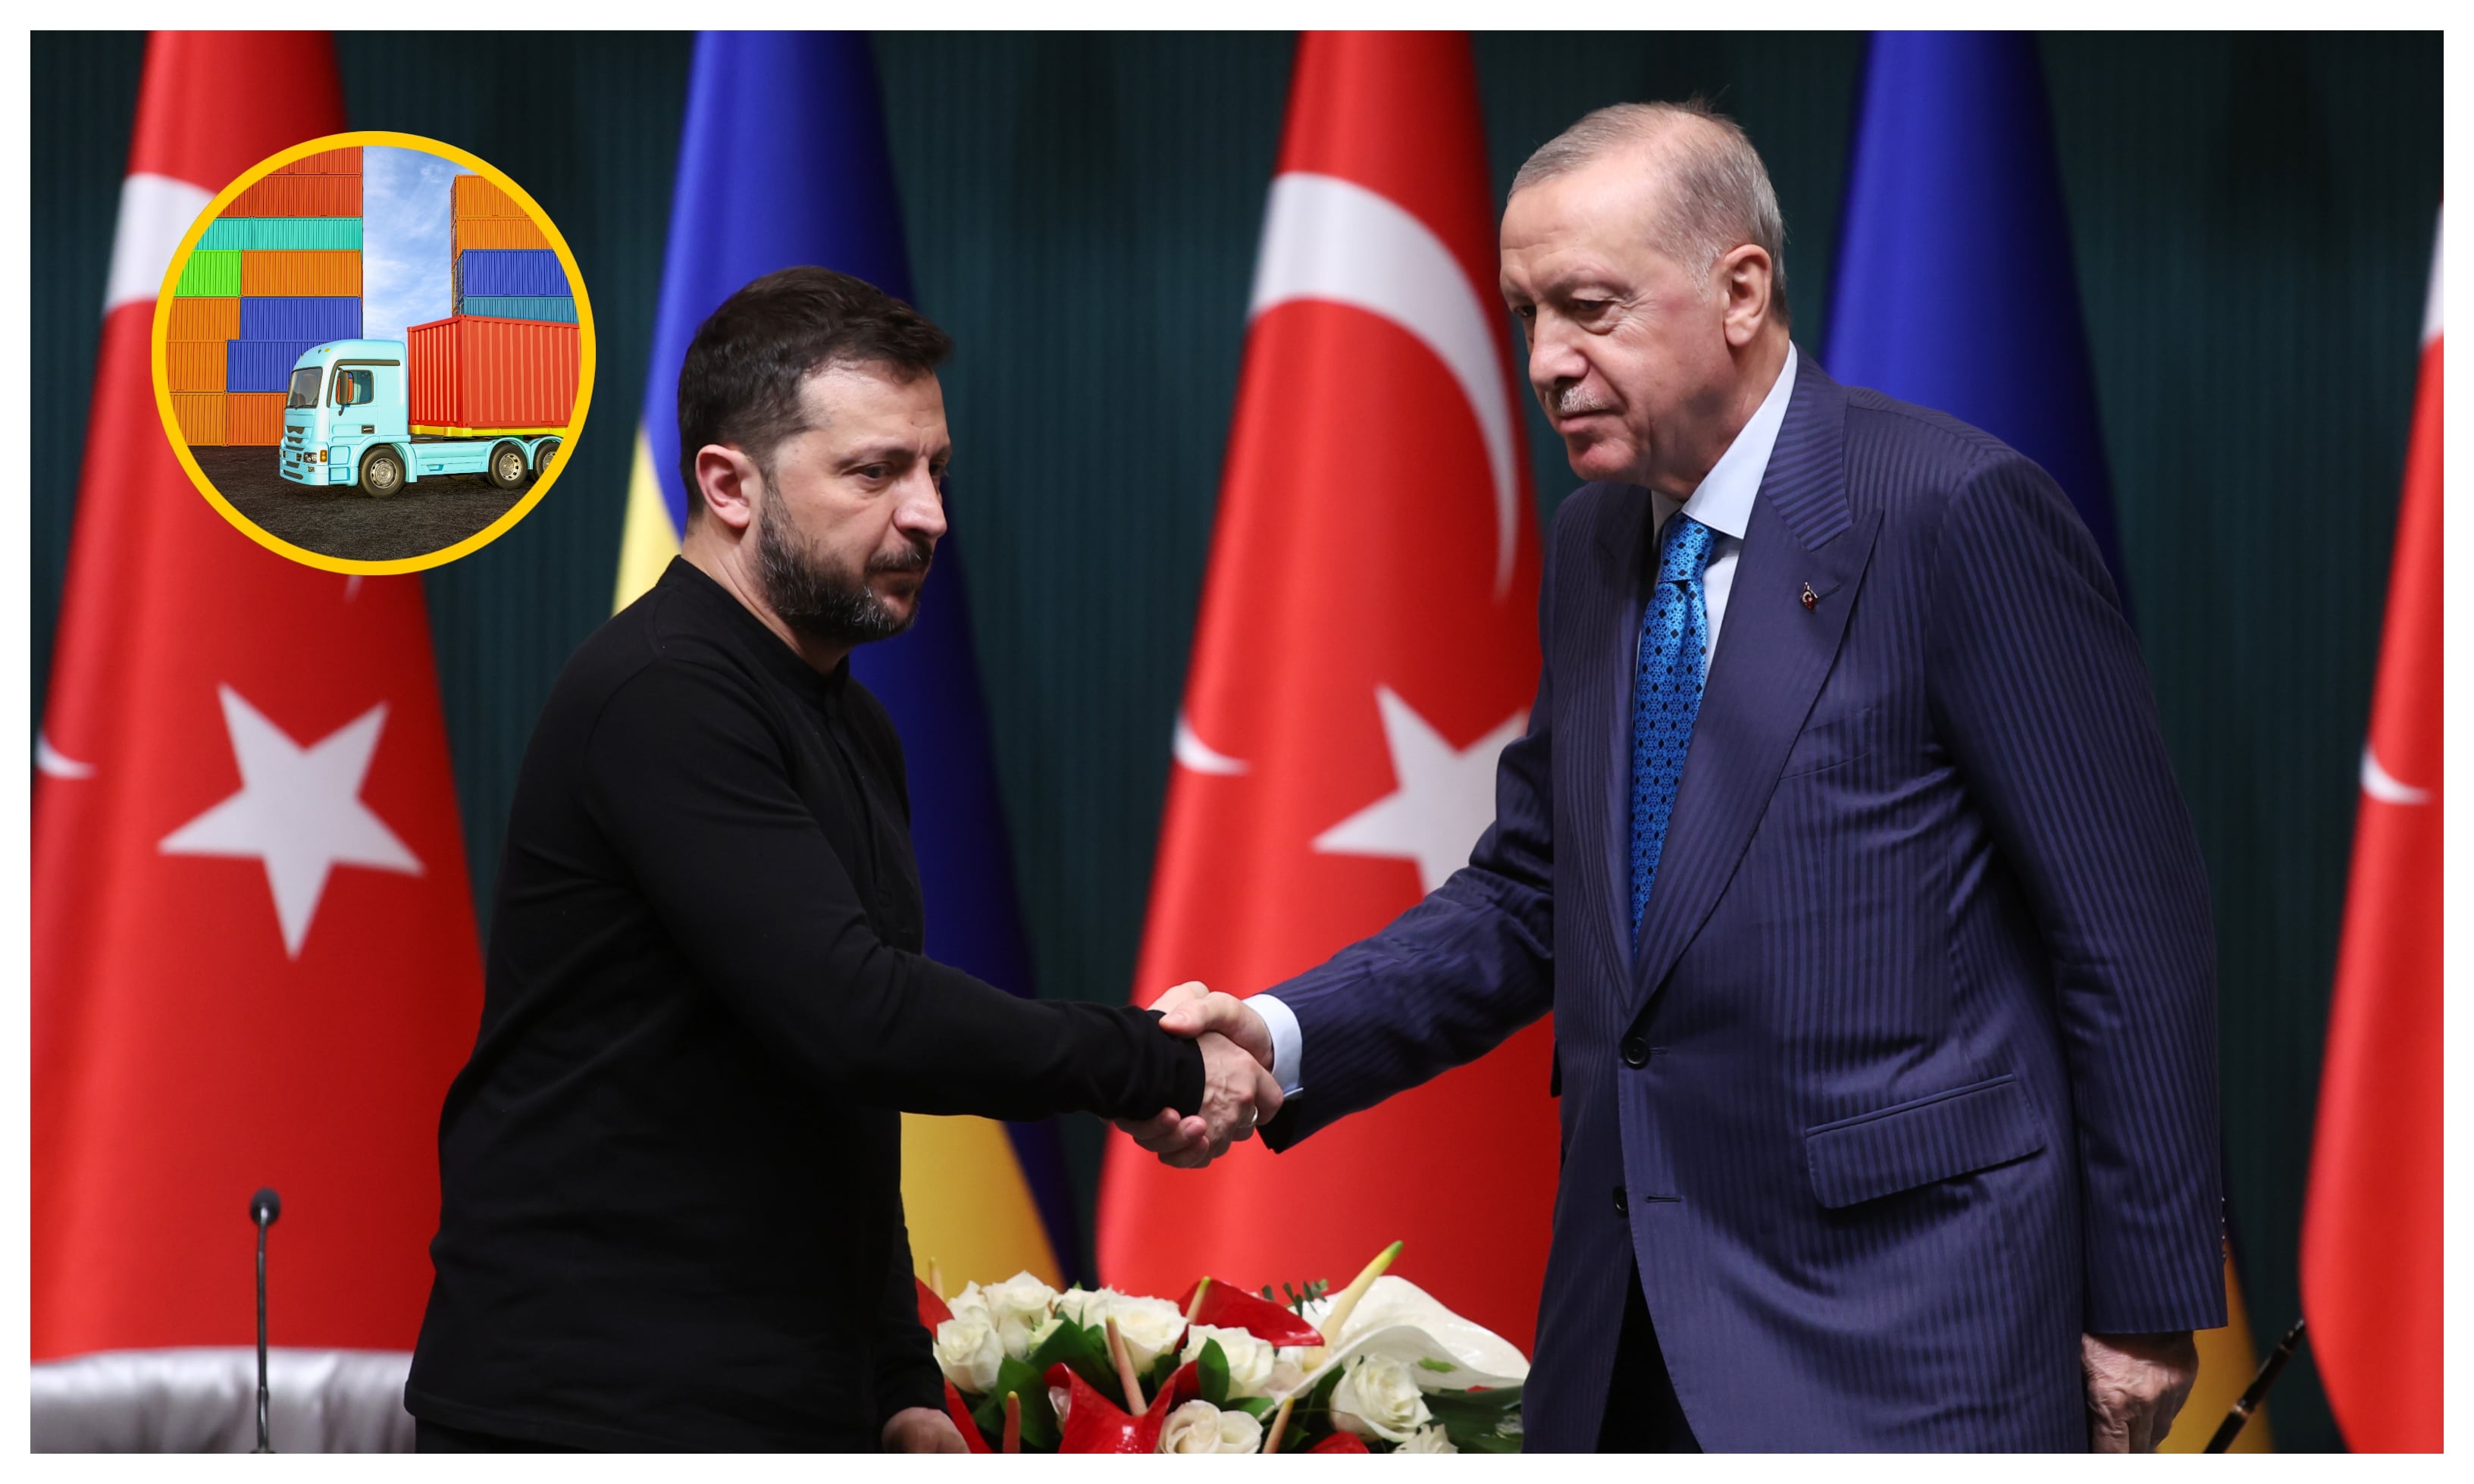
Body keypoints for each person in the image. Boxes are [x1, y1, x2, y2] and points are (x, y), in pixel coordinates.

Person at [1123, 102, 2222, 1451]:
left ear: (1740, 292)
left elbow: (2129, 932)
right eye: (1526, 313)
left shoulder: (1952, 512)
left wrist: (2143, 1302)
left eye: (1588, 308)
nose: (1545, 361)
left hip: (1913, 1332)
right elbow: (1537, 890)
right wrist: (1280, 1039)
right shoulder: (1594, 546)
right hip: (1629, 1322)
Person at [405, 268, 1279, 1452]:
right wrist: (1157, 1063)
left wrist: (895, 1374)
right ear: (729, 485)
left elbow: (841, 1095)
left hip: (777, 1397)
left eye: (934, 470)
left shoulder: (847, 719)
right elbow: (860, 1017)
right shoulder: (664, 692)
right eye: (875, 472)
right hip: (596, 1407)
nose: (928, 515)